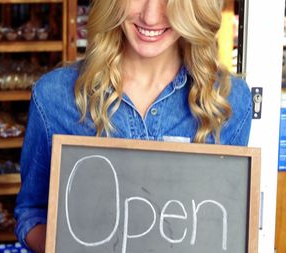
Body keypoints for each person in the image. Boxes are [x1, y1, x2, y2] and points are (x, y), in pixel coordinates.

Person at [14, 0, 252, 252]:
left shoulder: (229, 102)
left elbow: (229, 229)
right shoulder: (55, 96)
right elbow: (32, 212)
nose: (150, 17)